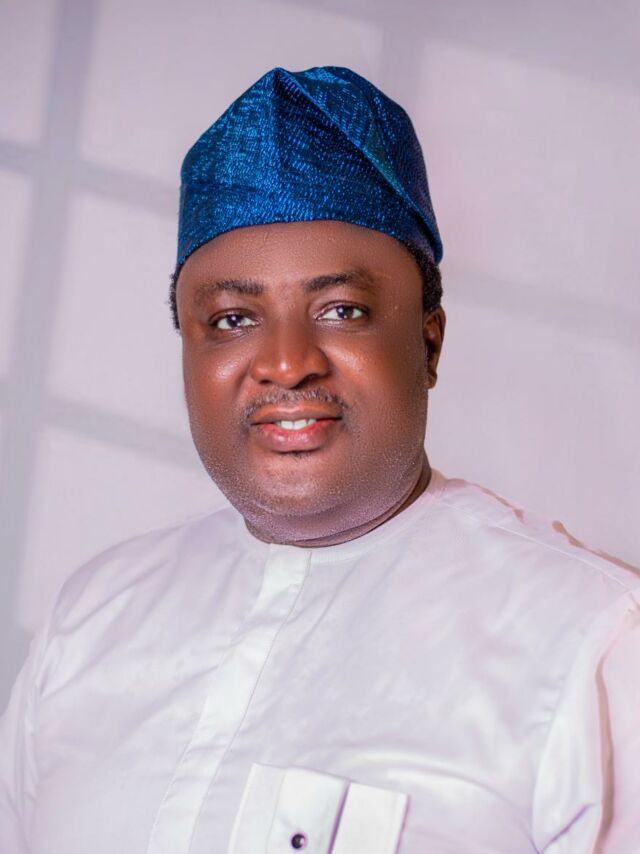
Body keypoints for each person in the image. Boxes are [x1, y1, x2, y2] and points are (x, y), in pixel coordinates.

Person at [0, 66, 638, 854]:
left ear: (429, 342)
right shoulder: (91, 621)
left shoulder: (595, 643)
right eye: (232, 319)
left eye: (341, 310)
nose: (287, 363)